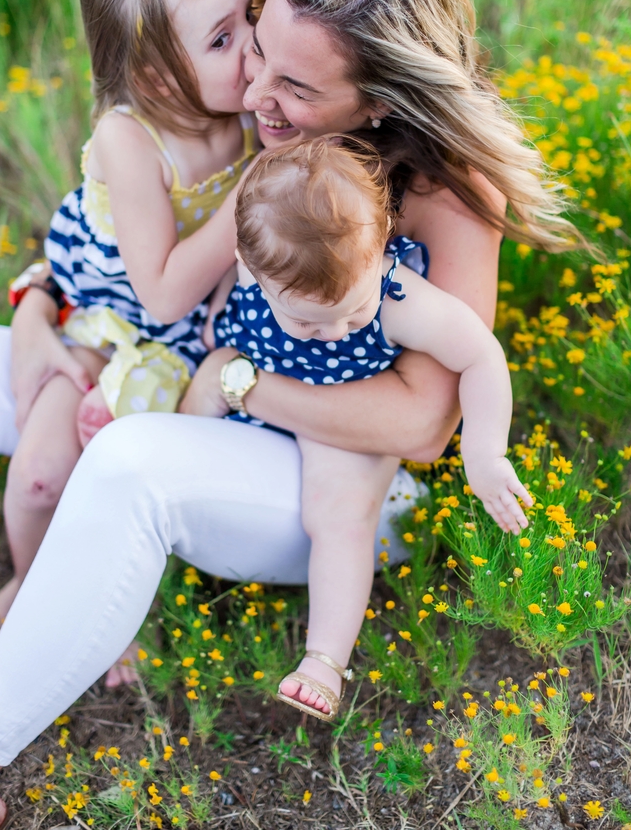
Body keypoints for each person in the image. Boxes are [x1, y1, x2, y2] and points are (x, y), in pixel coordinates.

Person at [0, 0, 576, 826]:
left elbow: (421, 424)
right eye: (255, 46)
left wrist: (240, 378)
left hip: (339, 486)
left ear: (378, 101)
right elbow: (128, 227)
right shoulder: (275, 108)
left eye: (292, 86)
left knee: (132, 465)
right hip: (212, 392)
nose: (255, 96)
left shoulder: (444, 191)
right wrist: (39, 300)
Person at [0, 0, 256, 675]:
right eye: (224, 40)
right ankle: (29, 581)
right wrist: (249, 194)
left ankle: (91, 598)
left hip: (192, 339)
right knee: (36, 475)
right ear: (157, 77)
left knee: (117, 481)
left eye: (247, 20)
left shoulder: (248, 106)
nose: (252, 50)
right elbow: (156, 292)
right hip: (106, 323)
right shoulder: (132, 137)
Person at [189, 136, 531, 720]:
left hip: (342, 420)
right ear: (249, 265)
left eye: (353, 310)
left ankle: (323, 660)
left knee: (340, 517)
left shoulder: (398, 296)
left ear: (381, 250)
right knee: (184, 450)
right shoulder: (262, 260)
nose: (340, 330)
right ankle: (174, 588)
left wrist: (485, 453)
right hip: (254, 393)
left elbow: (481, 355)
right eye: (310, 321)